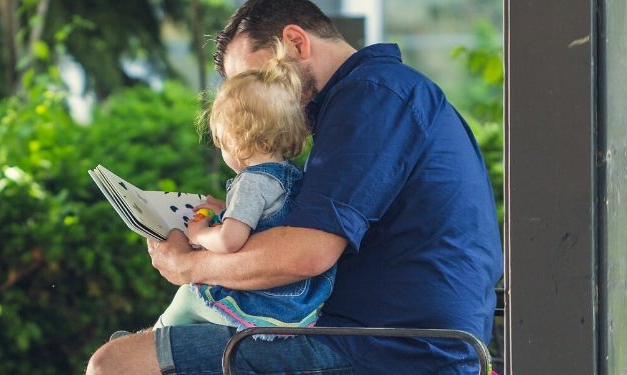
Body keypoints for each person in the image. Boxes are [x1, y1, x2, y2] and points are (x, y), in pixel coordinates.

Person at [86, 0, 502, 373]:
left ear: (296, 42)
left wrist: (189, 267)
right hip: (390, 341)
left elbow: (306, 254)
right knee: (133, 348)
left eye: (257, 81)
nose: (253, 104)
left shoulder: (371, 97)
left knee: (116, 363)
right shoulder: (380, 95)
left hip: (386, 351)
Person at [151, 41, 335, 332]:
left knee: (190, 295)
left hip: (268, 304)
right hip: (300, 301)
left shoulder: (250, 182)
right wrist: (227, 210)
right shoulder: (290, 175)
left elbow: (229, 241)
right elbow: (266, 222)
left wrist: (200, 232)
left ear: (234, 140)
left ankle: (153, 341)